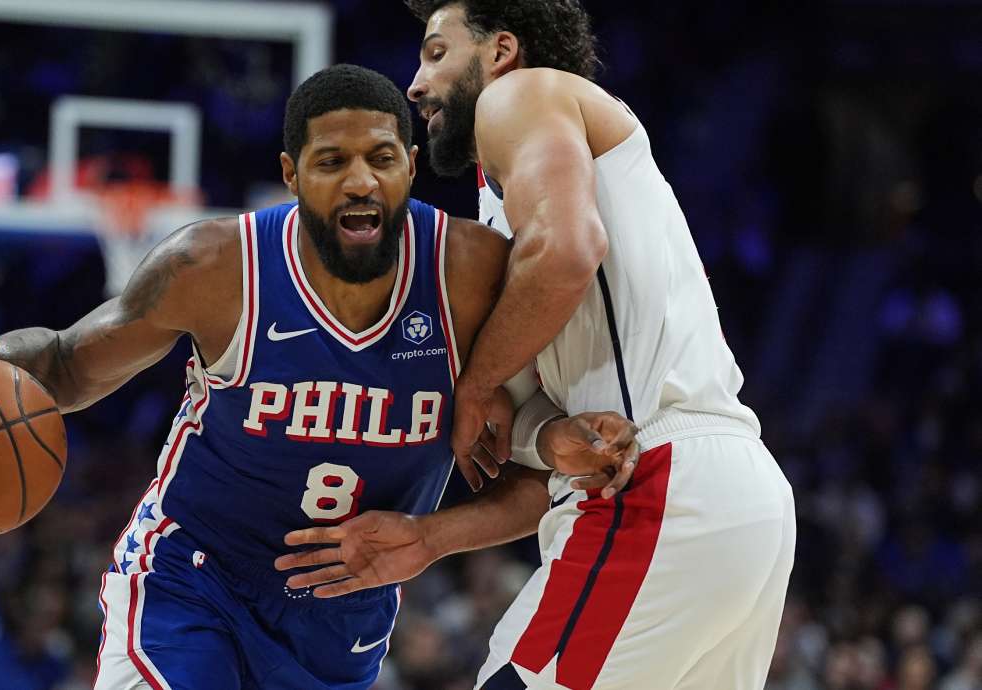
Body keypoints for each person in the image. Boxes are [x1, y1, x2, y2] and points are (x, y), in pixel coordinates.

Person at [0, 64, 635, 690]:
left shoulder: (468, 276)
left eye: (380, 158)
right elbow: (67, 362)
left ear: (410, 163)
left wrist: (434, 535)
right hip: (190, 583)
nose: (361, 181)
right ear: (291, 175)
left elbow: (542, 468)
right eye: (331, 162)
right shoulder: (214, 267)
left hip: (340, 629)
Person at [278, 3, 798, 689]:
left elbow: (568, 251)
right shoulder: (518, 202)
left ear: (500, 51)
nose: (416, 84)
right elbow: (559, 463)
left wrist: (476, 383)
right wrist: (432, 536)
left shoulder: (523, 94)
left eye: (437, 53)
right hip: (730, 496)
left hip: (660, 485)